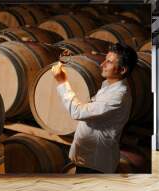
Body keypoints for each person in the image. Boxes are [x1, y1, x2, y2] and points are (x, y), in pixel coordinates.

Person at [52, 43, 138, 174]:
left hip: (96, 163)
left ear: (122, 70)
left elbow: (78, 112)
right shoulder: (108, 87)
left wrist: (62, 82)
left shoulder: (118, 96)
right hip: (88, 158)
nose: (102, 64)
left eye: (109, 62)